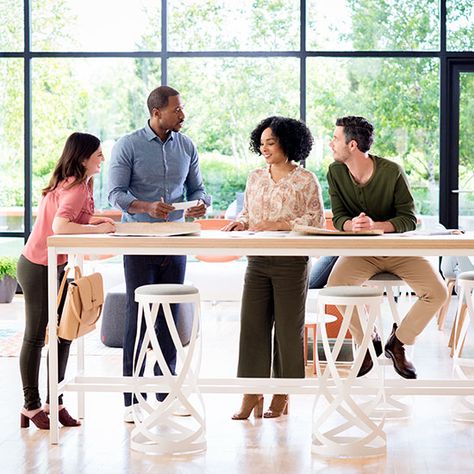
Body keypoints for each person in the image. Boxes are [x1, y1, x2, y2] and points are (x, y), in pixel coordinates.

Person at [108, 85, 211, 422]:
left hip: (177, 240)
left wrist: (201, 205)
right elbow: (116, 194)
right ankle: (131, 400)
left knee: (168, 316)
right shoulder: (128, 145)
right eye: (177, 109)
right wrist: (146, 206)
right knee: (138, 317)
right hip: (138, 239)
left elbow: (199, 189)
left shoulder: (187, 146)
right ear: (157, 112)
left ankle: (167, 393)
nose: (183, 114)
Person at [325, 115, 448, 378]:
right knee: (335, 287)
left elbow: (409, 219)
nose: (330, 143)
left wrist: (376, 226)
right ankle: (369, 341)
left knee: (437, 292)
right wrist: (351, 226)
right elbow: (338, 217)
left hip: (399, 251)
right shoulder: (335, 172)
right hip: (361, 253)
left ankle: (398, 342)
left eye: (335, 138)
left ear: (353, 145)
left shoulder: (392, 172)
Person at [223, 116, 325, 420]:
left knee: (287, 330)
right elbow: (248, 214)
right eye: (262, 143)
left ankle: (282, 393)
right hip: (257, 259)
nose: (264, 148)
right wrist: (241, 223)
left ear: (288, 144)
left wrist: (280, 224)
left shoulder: (306, 179)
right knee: (252, 326)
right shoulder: (255, 176)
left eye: (271, 142)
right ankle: (251, 393)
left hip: (291, 261)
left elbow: (316, 221)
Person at [17, 132, 116, 430]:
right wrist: (98, 231)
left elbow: (71, 220)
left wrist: (93, 222)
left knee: (65, 333)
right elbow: (60, 226)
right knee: (36, 336)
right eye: (98, 154)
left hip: (53, 266)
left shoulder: (80, 183)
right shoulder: (74, 186)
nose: (102, 159)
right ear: (83, 158)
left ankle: (54, 401)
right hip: (37, 266)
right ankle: (31, 405)